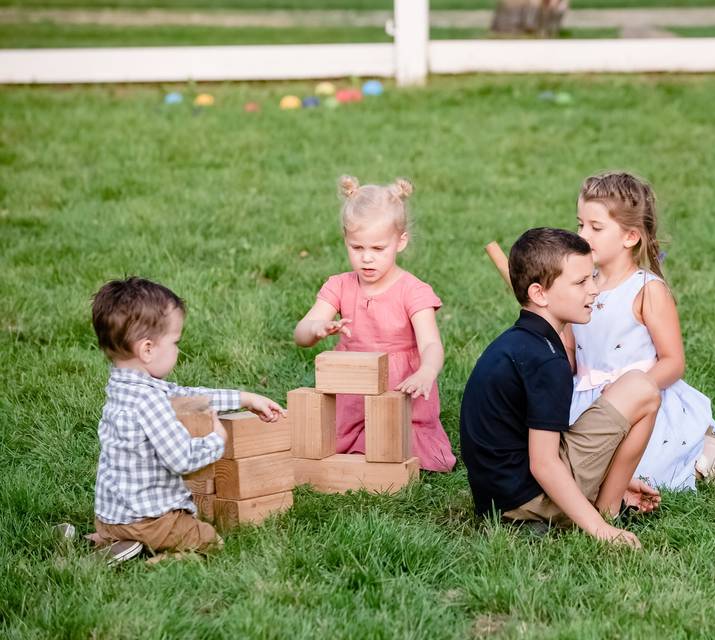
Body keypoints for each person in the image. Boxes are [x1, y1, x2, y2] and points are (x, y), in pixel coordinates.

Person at [460, 228, 662, 547]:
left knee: (637, 385)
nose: (594, 290)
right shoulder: (546, 360)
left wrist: (615, 479)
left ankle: (610, 494)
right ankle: (606, 512)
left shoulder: (519, 343)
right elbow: (544, 464)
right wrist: (600, 530)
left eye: (592, 276)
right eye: (581, 282)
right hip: (525, 501)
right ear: (540, 294)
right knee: (643, 391)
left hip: (497, 495)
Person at [571, 172, 715, 491]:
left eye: (596, 227)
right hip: (587, 399)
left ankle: (704, 457)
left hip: (640, 402)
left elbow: (672, 362)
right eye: (580, 224)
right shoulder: (579, 284)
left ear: (630, 237)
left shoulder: (646, 291)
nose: (582, 234)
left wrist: (630, 392)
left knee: (650, 468)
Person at [90, 277, 285, 563]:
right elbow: (181, 459)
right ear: (147, 350)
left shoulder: (124, 386)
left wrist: (244, 399)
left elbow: (188, 395)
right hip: (149, 520)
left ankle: (110, 541)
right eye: (175, 342)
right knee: (209, 540)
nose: (178, 350)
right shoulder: (151, 403)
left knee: (128, 527)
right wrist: (216, 439)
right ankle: (156, 561)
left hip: (110, 515)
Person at [294, 176, 455, 472]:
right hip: (351, 388)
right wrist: (316, 329)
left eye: (378, 249)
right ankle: (355, 439)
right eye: (357, 248)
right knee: (332, 440)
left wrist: (426, 371)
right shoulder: (339, 286)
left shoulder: (413, 290)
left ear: (401, 241)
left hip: (398, 389)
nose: (367, 258)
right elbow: (301, 334)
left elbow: (430, 343)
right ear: (346, 240)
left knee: (397, 440)